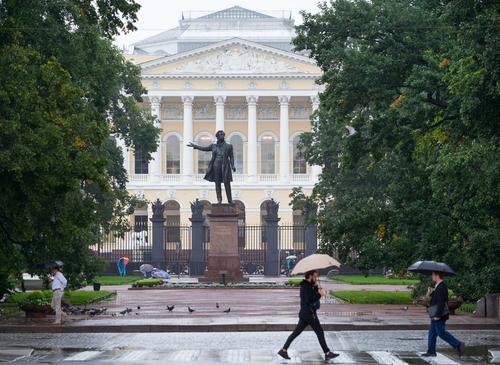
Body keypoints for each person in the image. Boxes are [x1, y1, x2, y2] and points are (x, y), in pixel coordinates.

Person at [278, 270, 339, 361]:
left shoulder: (308, 285)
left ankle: (283, 350)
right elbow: (309, 300)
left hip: (305, 313)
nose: (315, 278)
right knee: (319, 332)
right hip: (309, 314)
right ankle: (327, 353)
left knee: (296, 332)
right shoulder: (306, 286)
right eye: (314, 276)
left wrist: (316, 289)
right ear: (310, 276)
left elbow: (312, 297)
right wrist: (319, 294)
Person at [422, 271, 465, 357]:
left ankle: (458, 344)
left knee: (441, 333)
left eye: (433, 275)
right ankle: (431, 351)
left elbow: (441, 302)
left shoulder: (441, 287)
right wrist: (431, 293)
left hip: (439, 315)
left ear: (437, 276)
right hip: (435, 314)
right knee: (432, 333)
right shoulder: (439, 287)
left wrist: (437, 315)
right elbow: (437, 298)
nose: (432, 276)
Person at [187, 130, 236, 204]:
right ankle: (219, 199)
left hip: (225, 165)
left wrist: (232, 165)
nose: (222, 136)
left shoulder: (229, 146)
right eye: (220, 135)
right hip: (216, 164)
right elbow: (204, 148)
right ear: (217, 137)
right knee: (217, 183)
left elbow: (231, 157)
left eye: (223, 135)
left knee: (227, 183)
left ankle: (230, 200)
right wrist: (195, 146)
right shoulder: (213, 146)